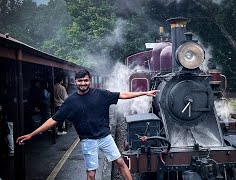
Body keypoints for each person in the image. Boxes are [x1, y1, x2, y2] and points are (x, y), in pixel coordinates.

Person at [16, 69, 159, 180]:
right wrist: (32, 134)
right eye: (80, 81)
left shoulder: (101, 94)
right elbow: (53, 120)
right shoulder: (70, 102)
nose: (83, 83)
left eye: (85, 80)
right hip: (87, 140)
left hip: (105, 137)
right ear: (75, 82)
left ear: (89, 81)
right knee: (91, 174)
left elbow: (122, 95)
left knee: (121, 162)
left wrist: (145, 93)